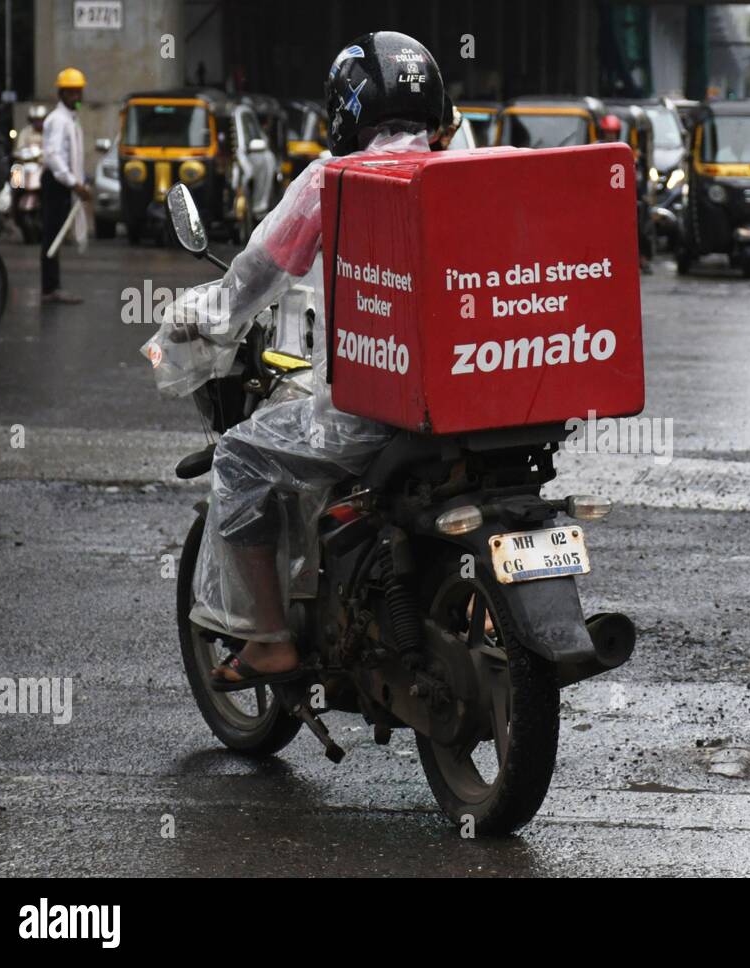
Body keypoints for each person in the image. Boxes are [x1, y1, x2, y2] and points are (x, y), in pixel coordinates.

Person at [142, 31, 450, 689]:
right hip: (488, 409)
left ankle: (271, 642)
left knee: (240, 458)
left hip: (380, 415)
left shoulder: (331, 181)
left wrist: (188, 315)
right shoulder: (471, 168)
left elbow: (246, 288)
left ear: (347, 108)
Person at [40, 68, 90, 304]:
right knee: (53, 235)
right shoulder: (57, 120)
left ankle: (52, 286)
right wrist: (74, 183)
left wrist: (78, 181)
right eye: (71, 93)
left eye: (78, 92)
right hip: (56, 183)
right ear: (61, 94)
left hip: (63, 183)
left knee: (56, 235)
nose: (76, 97)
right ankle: (50, 288)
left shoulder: (71, 119)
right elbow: (53, 156)